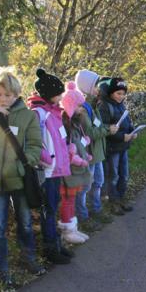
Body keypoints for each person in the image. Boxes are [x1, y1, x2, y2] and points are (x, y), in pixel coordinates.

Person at [0, 67, 46, 285]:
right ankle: (1, 268)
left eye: (7, 95)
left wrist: (24, 165)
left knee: (25, 222)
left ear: (16, 94)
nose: (3, 99)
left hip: (20, 178)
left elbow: (35, 145)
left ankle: (29, 258)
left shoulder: (27, 116)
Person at [27, 68, 72, 264]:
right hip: (47, 169)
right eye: (58, 93)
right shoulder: (39, 113)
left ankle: (56, 243)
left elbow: (60, 139)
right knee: (49, 208)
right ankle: (50, 248)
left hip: (57, 168)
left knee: (54, 206)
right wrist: (44, 157)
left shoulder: (54, 112)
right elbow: (34, 139)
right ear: (49, 94)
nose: (61, 96)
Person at [75, 69, 117, 230]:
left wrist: (107, 127)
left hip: (97, 152)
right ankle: (83, 216)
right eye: (96, 86)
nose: (99, 89)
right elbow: (90, 132)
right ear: (87, 87)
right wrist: (108, 130)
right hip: (89, 154)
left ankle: (96, 209)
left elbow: (97, 125)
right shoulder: (83, 109)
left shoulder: (93, 105)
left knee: (98, 182)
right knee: (85, 186)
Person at [59, 82, 94, 244]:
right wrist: (80, 160)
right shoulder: (65, 125)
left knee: (72, 199)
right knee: (67, 199)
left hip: (76, 171)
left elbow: (77, 144)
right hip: (69, 172)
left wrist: (84, 149)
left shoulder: (74, 123)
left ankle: (73, 227)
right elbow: (68, 151)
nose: (82, 108)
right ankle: (67, 230)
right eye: (79, 105)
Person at [98, 77, 137, 215]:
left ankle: (121, 198)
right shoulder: (104, 106)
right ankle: (113, 202)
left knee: (124, 175)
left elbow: (126, 121)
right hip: (112, 148)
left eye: (123, 93)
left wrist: (132, 131)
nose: (121, 96)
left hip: (124, 147)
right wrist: (122, 136)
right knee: (113, 176)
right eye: (118, 93)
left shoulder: (121, 105)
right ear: (111, 93)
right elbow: (105, 129)